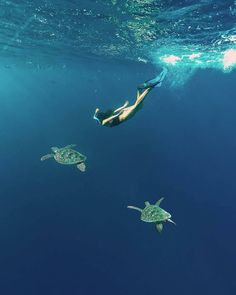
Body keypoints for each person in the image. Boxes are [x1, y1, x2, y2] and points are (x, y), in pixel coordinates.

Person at [93, 68, 167, 127]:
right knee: (138, 105)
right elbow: (113, 114)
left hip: (124, 116)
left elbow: (114, 113)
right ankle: (142, 88)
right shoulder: (103, 121)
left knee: (138, 105)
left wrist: (123, 107)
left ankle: (149, 87)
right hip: (123, 115)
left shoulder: (103, 120)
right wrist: (122, 109)